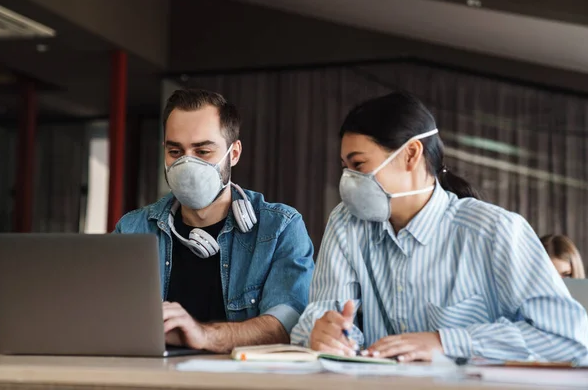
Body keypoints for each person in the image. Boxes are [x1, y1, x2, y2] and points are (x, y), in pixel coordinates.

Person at [291, 91, 588, 363]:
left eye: (359, 165)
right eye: (345, 167)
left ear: (411, 154)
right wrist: (323, 334)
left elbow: (570, 337)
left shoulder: (494, 231)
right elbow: (323, 314)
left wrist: (446, 341)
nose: (349, 180)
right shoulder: (346, 223)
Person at [115, 89, 315, 353]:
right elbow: (110, 318)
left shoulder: (280, 227)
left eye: (203, 151)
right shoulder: (132, 229)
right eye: (175, 151)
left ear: (233, 153)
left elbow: (286, 326)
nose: (187, 164)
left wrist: (202, 335)